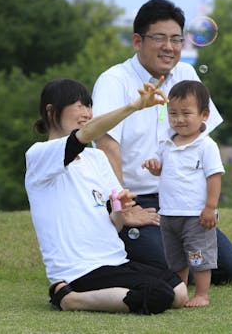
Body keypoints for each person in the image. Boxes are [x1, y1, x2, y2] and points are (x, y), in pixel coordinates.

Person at [91, 0, 232, 284]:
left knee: (228, 267)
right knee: (170, 266)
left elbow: (201, 138)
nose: (170, 47)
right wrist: (124, 206)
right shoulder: (114, 80)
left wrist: (205, 202)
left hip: (180, 200)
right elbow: (106, 144)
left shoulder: (185, 74)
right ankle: (112, 244)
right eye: (160, 38)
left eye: (176, 39)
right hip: (135, 198)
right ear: (138, 41)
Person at [25, 77, 189, 314]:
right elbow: (85, 134)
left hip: (115, 261)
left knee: (179, 291)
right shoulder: (39, 156)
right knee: (158, 296)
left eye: (88, 105)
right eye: (78, 105)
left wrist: (122, 214)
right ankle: (68, 298)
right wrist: (133, 107)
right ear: (51, 112)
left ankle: (77, 297)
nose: (87, 112)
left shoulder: (96, 158)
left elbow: (114, 222)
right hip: (78, 270)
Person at [142, 80, 224, 307]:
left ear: (204, 115)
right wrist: (154, 167)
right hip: (168, 213)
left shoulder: (206, 146)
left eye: (186, 113)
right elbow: (162, 170)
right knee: (175, 258)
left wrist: (210, 207)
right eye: (173, 113)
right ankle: (179, 292)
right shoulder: (166, 143)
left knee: (199, 256)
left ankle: (202, 294)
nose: (178, 119)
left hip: (195, 215)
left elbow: (214, 177)